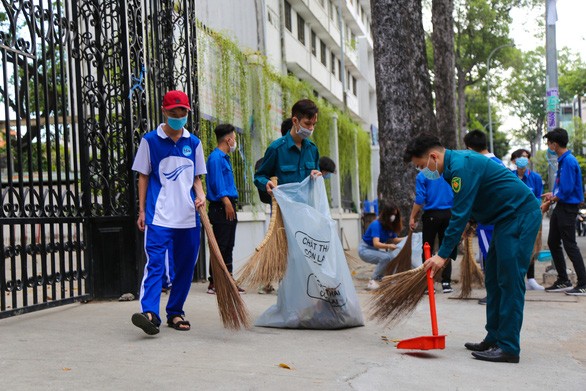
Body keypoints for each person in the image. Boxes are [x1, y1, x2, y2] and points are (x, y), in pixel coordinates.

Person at [404, 133, 541, 363]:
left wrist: (442, 255)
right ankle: (494, 337)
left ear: (433, 156)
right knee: (494, 278)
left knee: (510, 280)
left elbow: (458, 213)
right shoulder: (452, 166)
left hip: (519, 216)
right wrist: (472, 222)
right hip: (505, 219)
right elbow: (474, 200)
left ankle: (508, 347)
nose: (422, 171)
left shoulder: (459, 167)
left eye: (420, 166)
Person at [131, 90, 206, 335]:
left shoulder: (193, 143)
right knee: (154, 264)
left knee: (185, 267)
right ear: (165, 111)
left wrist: (201, 196)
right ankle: (150, 312)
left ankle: (175, 312)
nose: (178, 116)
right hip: (159, 216)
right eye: (174, 112)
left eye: (182, 112)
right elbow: (143, 176)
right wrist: (142, 211)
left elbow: (195, 178)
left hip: (187, 218)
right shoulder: (150, 141)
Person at [254, 99, 321, 294]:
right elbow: (259, 175)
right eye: (307, 124)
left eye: (313, 124)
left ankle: (306, 300)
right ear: (295, 120)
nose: (310, 128)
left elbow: (314, 175)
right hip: (283, 217)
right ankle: (289, 300)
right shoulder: (277, 149)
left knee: (305, 260)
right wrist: (265, 183)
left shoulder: (312, 150)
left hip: (306, 215)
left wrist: (316, 175)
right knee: (287, 260)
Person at [463, 129, 506, 305]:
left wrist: (469, 219)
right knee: (497, 256)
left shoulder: (478, 166)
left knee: (489, 258)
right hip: (503, 219)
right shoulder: (499, 164)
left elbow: (473, 196)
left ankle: (495, 295)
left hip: (489, 221)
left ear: (469, 148)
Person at [542, 128, 586, 295]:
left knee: (570, 245)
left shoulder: (568, 161)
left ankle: (583, 283)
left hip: (567, 208)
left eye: (549, 143)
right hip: (561, 206)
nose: (548, 146)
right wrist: (552, 195)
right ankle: (563, 280)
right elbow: (563, 188)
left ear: (554, 144)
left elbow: (566, 189)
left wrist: (552, 199)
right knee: (553, 242)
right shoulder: (564, 160)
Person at [205, 124, 244, 294]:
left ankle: (227, 279)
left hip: (228, 205)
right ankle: (215, 282)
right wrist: (226, 201)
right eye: (234, 138)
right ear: (228, 140)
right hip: (222, 207)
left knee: (228, 245)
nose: (235, 142)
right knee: (220, 245)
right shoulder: (216, 158)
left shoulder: (224, 158)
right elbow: (216, 182)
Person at [409, 170, 458, 293]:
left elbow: (420, 198)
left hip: (431, 214)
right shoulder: (448, 172)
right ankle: (446, 283)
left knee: (427, 248)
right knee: (446, 246)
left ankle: (428, 283)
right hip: (449, 214)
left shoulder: (422, 175)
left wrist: (412, 216)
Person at [510, 148, 544, 290]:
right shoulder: (509, 176)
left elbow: (538, 198)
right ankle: (516, 277)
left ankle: (530, 279)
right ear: (514, 160)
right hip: (513, 217)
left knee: (530, 247)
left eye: (526, 157)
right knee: (513, 247)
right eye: (520, 157)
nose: (524, 159)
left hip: (531, 217)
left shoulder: (535, 178)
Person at [358, 204, 406, 290]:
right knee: (385, 257)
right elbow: (376, 243)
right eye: (392, 214)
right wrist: (388, 245)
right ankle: (373, 280)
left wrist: (408, 238)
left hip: (374, 250)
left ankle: (387, 279)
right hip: (364, 250)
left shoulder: (390, 226)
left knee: (392, 257)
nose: (393, 217)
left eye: (395, 215)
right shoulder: (376, 224)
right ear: (386, 214)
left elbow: (395, 240)